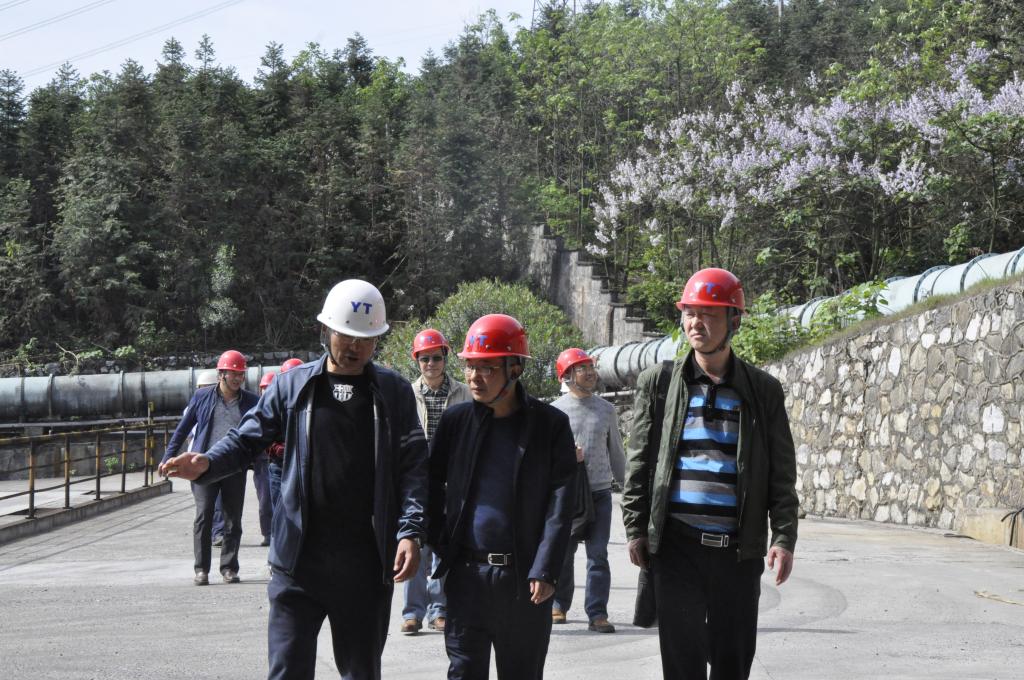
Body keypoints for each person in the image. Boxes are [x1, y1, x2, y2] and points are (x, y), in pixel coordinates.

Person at [160, 279, 427, 680]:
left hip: (365, 565)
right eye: (346, 335)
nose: (354, 347)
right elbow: (246, 440)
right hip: (297, 564)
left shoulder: (393, 392)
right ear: (326, 331)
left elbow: (414, 468)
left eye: (365, 339)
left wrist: (410, 531)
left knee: (361, 673)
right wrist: (207, 463)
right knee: (286, 671)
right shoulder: (292, 387)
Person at [621, 267, 799, 680]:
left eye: (709, 314)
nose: (696, 323)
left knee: (732, 664)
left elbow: (781, 472)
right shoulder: (660, 383)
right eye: (690, 313)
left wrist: (784, 536)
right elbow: (639, 461)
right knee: (682, 666)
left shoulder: (762, 390)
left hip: (737, 553)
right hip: (677, 548)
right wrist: (635, 527)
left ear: (734, 321)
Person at [427, 313, 577, 680]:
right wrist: (439, 541)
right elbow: (429, 484)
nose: (474, 377)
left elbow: (561, 503)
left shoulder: (549, 426)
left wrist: (546, 567)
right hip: (466, 580)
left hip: (524, 583)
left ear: (515, 369)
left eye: (487, 368)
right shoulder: (456, 423)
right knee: (463, 672)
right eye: (469, 367)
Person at [161, 350, 258, 586]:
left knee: (233, 519)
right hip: (202, 466)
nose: (238, 379)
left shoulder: (251, 401)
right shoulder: (202, 397)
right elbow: (183, 429)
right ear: (221, 374)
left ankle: (229, 568)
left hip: (234, 466)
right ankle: (201, 569)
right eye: (233, 374)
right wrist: (167, 457)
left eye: (241, 374)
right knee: (203, 517)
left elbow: (259, 431)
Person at [401, 329, 472, 635]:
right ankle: (412, 612)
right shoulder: (406, 394)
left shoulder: (463, 393)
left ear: (445, 358)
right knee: (414, 540)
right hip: (416, 477)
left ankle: (439, 609)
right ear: (417, 361)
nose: (431, 364)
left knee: (443, 543)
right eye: (424, 359)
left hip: (452, 477)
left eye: (436, 358)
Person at [550, 347, 625, 633]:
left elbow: (616, 453)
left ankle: (597, 613)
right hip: (567, 495)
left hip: (600, 493)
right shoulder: (555, 411)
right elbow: (545, 458)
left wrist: (629, 490)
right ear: (567, 375)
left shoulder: (606, 410)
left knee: (598, 555)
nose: (590, 373)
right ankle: (559, 605)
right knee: (563, 552)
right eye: (583, 368)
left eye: (591, 367)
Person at [266, 358, 303, 513]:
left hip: (303, 466)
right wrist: (277, 447)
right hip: (279, 466)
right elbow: (264, 433)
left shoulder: (310, 404)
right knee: (279, 513)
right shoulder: (275, 403)